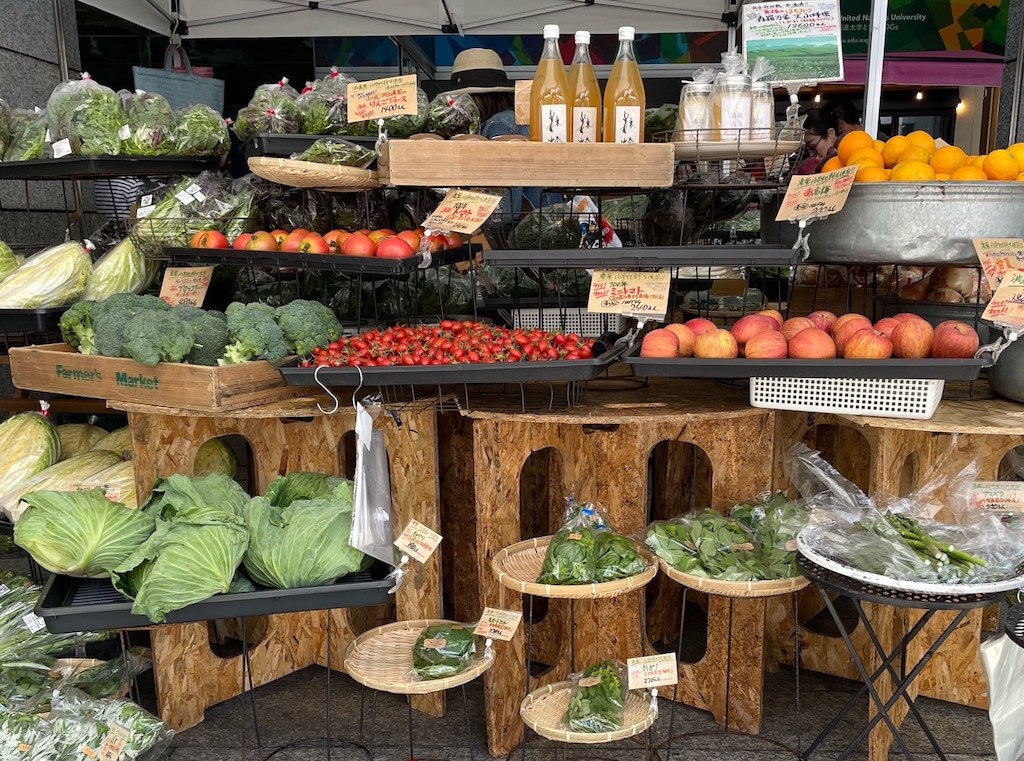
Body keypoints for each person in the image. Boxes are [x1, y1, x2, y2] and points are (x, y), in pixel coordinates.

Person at [446, 48, 553, 214]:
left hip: (521, 230)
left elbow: (504, 211)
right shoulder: (515, 120)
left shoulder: (500, 127)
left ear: (474, 100)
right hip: (541, 220)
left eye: (460, 104)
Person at [795, 108, 838, 174]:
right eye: (807, 148)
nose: (811, 154)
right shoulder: (806, 166)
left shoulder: (848, 159)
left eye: (813, 146)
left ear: (830, 133)